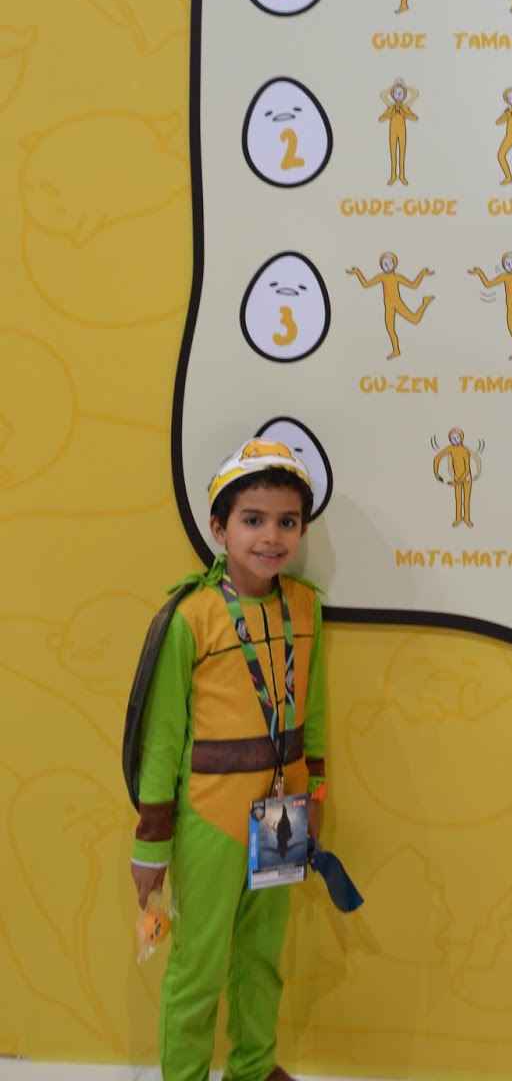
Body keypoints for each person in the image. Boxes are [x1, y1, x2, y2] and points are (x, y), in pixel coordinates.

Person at [130, 438, 327, 1081]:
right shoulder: (191, 616)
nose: (271, 536)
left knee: (262, 956)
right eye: (253, 519)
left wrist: (316, 797)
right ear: (219, 528)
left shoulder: (306, 607)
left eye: (287, 521)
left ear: (301, 530)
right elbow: (162, 739)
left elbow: (314, 712)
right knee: (199, 965)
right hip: (209, 820)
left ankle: (254, 1066)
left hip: (283, 818)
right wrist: (152, 844)